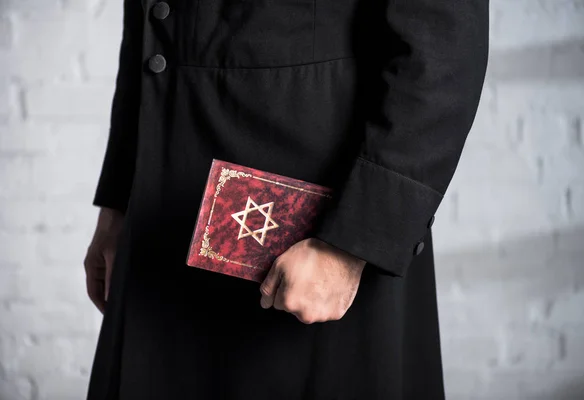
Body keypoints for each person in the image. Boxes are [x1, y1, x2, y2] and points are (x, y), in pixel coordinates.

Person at [84, 0, 489, 398]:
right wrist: (117, 207)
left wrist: (352, 244)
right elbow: (148, 29)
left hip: (311, 242)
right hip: (158, 216)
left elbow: (443, 44)